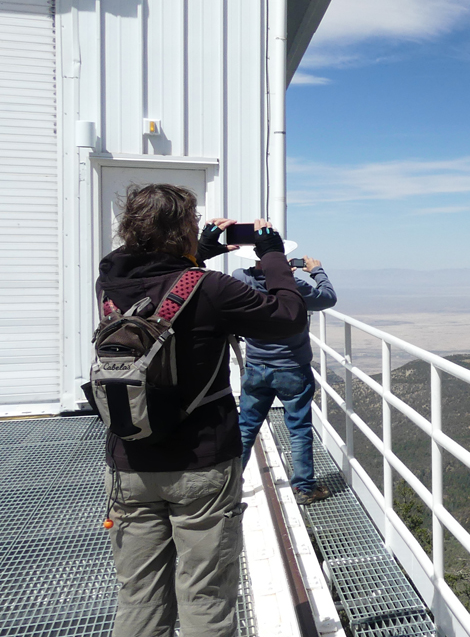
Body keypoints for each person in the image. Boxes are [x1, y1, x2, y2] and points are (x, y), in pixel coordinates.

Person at [97, 184, 306, 637]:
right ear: (182, 231)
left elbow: (159, 283)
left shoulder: (109, 284)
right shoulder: (211, 288)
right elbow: (288, 315)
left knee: (137, 597)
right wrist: (272, 255)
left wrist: (202, 250)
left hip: (129, 460)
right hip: (201, 463)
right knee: (204, 595)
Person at [232, 251, 337, 505]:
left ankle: (231, 486)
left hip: (257, 366)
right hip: (292, 368)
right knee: (299, 428)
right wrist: (316, 271)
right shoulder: (294, 286)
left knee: (246, 427)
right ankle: (303, 487)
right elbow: (328, 298)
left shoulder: (240, 280)